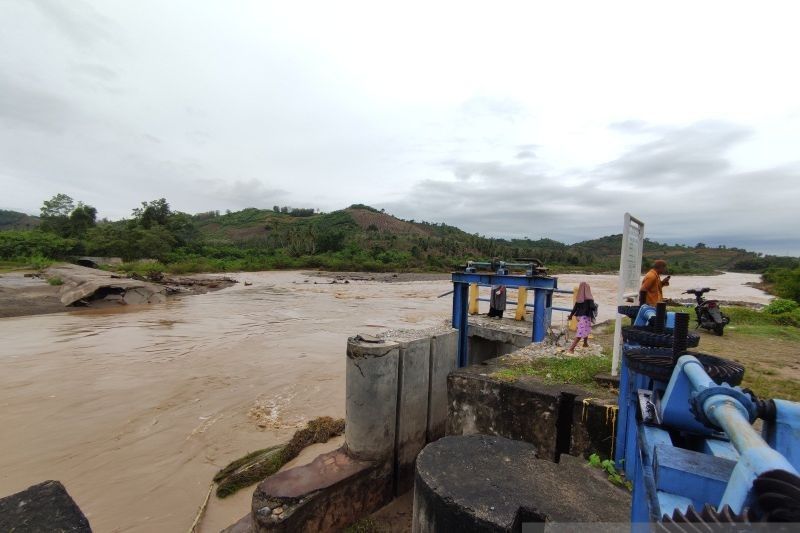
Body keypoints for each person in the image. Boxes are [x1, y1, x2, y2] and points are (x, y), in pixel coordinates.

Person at [567, 281, 597, 353]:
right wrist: (594, 304)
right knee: (581, 332)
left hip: (579, 317)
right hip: (585, 317)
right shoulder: (589, 299)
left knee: (585, 329)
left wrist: (570, 316)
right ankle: (571, 349)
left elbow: (574, 309)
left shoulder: (579, 299)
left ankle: (585, 343)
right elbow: (592, 307)